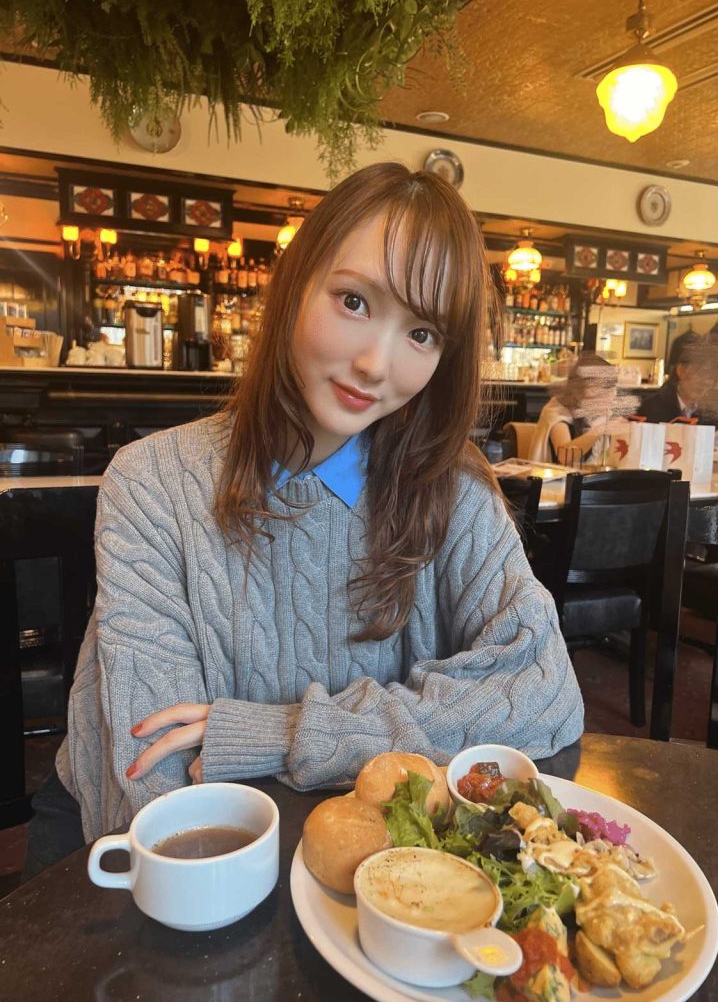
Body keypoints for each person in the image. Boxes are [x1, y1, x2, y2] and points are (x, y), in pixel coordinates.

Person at [25, 162, 582, 872]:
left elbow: (546, 695)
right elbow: (150, 780)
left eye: (422, 333)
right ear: (294, 285)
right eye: (354, 301)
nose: (375, 363)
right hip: (164, 853)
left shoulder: (453, 488)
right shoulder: (154, 482)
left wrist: (287, 731)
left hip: (365, 858)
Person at [637, 339, 718, 456]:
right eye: (700, 374)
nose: (705, 382)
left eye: (710, 377)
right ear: (680, 370)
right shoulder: (651, 407)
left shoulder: (710, 412)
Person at [528, 353, 618, 465]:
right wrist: (599, 430)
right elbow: (564, 456)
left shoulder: (596, 411)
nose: (610, 394)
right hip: (556, 475)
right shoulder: (557, 410)